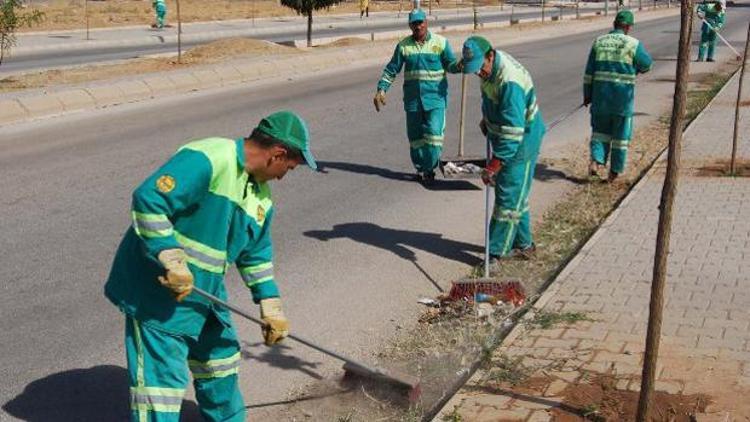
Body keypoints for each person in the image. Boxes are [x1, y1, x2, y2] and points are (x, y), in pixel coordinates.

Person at [104, 111, 317, 421]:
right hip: (158, 290)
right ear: (277, 154)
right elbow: (149, 199)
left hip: (205, 293)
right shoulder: (210, 157)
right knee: (160, 390)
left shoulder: (261, 198)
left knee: (222, 363)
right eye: (291, 166)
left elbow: (256, 255)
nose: (287, 174)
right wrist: (171, 258)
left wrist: (271, 306)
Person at [460, 35, 545, 266]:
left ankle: (495, 254)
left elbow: (513, 131)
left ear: (490, 55)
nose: (479, 73)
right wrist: (487, 120)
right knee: (516, 194)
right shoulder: (489, 69)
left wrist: (494, 166)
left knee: (507, 199)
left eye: (480, 67)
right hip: (505, 135)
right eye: (474, 69)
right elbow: (490, 97)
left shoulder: (510, 81)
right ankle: (524, 245)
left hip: (522, 140)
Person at [373, 9, 461, 184]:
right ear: (410, 25)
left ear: (426, 22)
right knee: (416, 139)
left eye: (421, 22)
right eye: (414, 23)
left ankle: (429, 167)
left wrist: (460, 65)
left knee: (434, 135)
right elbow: (392, 69)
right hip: (413, 101)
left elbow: (451, 65)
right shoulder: (404, 46)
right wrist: (381, 89)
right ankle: (422, 169)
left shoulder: (441, 43)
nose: (418, 26)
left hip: (435, 99)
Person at [583, 10, 652, 182]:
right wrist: (636, 69)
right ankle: (614, 172)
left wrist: (587, 95)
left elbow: (589, 73)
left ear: (614, 24)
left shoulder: (599, 42)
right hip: (622, 101)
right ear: (628, 27)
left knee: (600, 132)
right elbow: (647, 64)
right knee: (621, 138)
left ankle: (596, 161)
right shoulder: (633, 44)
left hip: (600, 98)